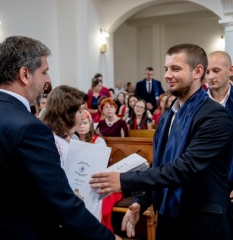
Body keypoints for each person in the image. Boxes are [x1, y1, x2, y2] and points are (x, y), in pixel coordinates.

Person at [90, 43, 233, 240]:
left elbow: (184, 168)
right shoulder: (167, 116)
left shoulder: (215, 116)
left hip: (203, 222)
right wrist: (141, 201)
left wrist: (124, 181)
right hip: (167, 220)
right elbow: (160, 166)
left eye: (176, 69)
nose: (167, 75)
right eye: (166, 69)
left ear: (198, 71)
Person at [0, 35, 120, 240]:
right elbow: (60, 201)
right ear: (24, 74)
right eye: (44, 72)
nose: (48, 80)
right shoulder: (30, 128)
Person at [205, 50, 233, 202]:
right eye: (207, 72)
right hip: (203, 184)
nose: (210, 77)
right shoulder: (196, 103)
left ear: (231, 70)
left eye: (216, 71)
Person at [41, 85, 87, 168]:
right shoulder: (48, 141)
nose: (84, 116)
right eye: (80, 111)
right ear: (66, 114)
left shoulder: (74, 137)